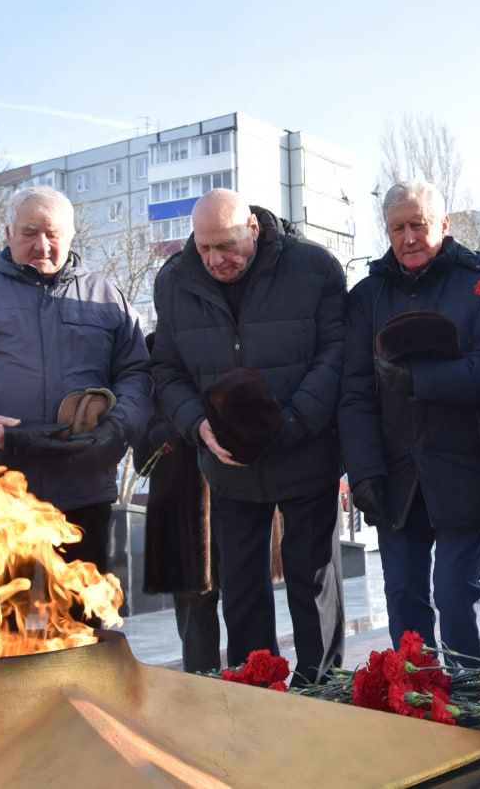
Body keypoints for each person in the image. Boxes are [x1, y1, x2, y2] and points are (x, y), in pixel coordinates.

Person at [150, 189, 345, 683]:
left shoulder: (314, 268)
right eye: (205, 247)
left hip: (306, 453)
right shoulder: (173, 281)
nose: (216, 259)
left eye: (228, 246)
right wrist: (198, 428)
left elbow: (335, 356)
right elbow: (167, 371)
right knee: (240, 589)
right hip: (228, 464)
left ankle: (322, 689)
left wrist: (293, 424)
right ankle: (255, 689)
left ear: (253, 229)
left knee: (312, 580)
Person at [0, 186, 152, 574]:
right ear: (7, 234)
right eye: (29, 233)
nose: (42, 246)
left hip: (84, 489)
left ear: (71, 235)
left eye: (53, 233)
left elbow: (136, 374)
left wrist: (118, 429)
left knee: (81, 621)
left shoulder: (106, 296)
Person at [338, 180, 480, 665]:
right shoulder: (367, 298)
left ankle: (473, 703)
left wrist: (419, 379)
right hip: (395, 474)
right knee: (405, 601)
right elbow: (354, 393)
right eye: (397, 228)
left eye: (418, 225)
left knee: (456, 595)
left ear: (444, 224)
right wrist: (364, 471)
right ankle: (417, 705)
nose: (408, 237)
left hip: (466, 466)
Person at [133, 330, 220, 674]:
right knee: (193, 606)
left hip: (234, 493)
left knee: (246, 601)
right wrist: (166, 431)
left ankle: (252, 688)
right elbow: (142, 453)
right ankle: (202, 687)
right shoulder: (152, 351)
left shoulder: (222, 337)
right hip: (180, 506)